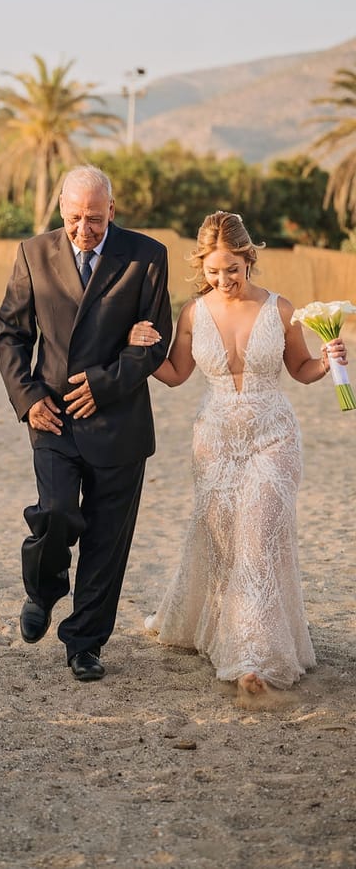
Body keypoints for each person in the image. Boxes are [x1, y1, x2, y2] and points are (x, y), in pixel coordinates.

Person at [129, 210, 347, 703]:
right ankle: (221, 631)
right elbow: (176, 374)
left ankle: (254, 658)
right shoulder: (192, 313)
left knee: (260, 535)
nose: (223, 279)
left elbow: (302, 370)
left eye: (232, 268)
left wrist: (330, 359)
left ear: (249, 259)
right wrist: (139, 348)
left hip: (274, 436)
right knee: (225, 540)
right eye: (213, 270)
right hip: (216, 442)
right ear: (201, 267)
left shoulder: (281, 309)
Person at [0, 164, 172, 682]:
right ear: (60, 210)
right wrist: (27, 399)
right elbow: (11, 334)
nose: (84, 230)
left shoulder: (146, 256)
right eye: (75, 218)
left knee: (106, 541)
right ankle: (44, 589)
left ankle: (84, 643)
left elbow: (155, 339)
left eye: (95, 219)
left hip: (119, 423)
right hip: (51, 417)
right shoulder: (33, 253)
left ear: (112, 211)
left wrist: (103, 383)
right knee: (55, 514)